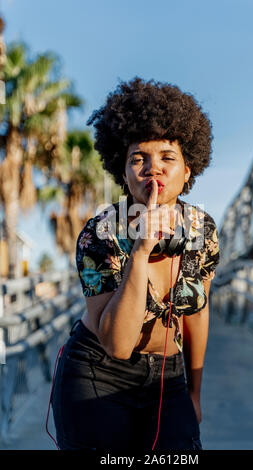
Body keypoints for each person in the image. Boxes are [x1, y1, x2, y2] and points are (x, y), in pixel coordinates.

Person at [50, 77, 220, 452]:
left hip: (169, 378)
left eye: (167, 157)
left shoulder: (202, 231)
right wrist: (140, 251)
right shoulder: (101, 235)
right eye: (138, 158)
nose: (152, 169)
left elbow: (197, 312)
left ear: (188, 169)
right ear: (123, 172)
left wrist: (194, 391)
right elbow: (118, 345)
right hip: (99, 374)